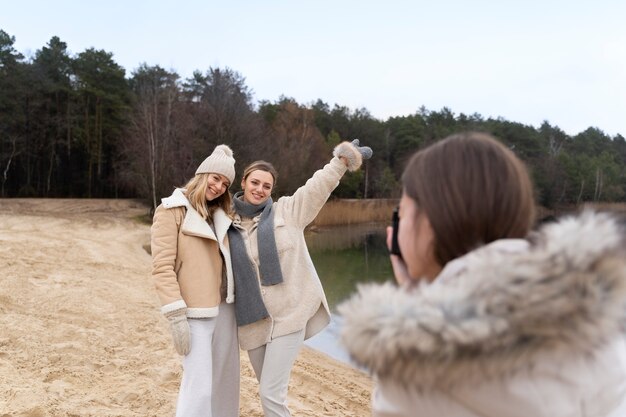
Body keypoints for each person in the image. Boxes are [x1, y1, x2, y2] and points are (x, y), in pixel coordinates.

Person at [339, 132, 626, 417]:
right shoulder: (600, 318)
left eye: (402, 213)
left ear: (430, 223)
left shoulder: (415, 371)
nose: (397, 228)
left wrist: (412, 308)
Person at [227, 139, 372, 417]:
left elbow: (317, 187)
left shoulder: (288, 212)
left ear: (272, 190)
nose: (260, 190)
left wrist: (340, 161)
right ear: (244, 182)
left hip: (289, 315)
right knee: (269, 392)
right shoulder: (225, 222)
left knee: (270, 394)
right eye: (255, 183)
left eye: (266, 186)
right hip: (252, 321)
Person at [151, 144, 240, 417]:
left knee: (225, 383)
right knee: (198, 386)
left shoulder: (221, 215)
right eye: (216, 178)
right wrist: (175, 314)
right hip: (193, 312)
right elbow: (162, 267)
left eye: (225, 183)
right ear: (202, 174)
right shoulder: (171, 211)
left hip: (225, 308)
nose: (219, 187)